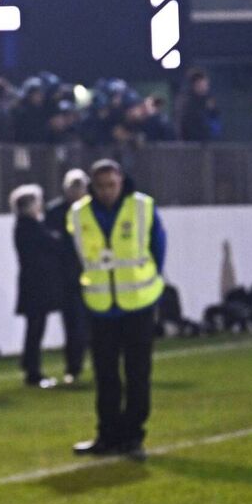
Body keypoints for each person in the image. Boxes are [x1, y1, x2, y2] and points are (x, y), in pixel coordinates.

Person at [67, 160, 166, 461]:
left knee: (137, 374)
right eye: (101, 186)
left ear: (121, 181)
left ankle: (133, 436)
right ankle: (107, 435)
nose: (107, 191)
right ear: (92, 187)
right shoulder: (79, 213)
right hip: (100, 306)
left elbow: (158, 248)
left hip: (138, 304)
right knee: (105, 376)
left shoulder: (142, 206)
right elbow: (76, 255)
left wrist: (146, 282)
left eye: (112, 185)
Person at [10, 184, 63, 388]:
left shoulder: (24, 226)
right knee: (36, 328)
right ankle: (33, 371)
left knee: (35, 327)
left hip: (32, 284)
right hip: (36, 285)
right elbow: (52, 244)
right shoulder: (29, 227)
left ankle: (29, 364)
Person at [44, 169, 90, 384]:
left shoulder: (93, 209)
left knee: (95, 326)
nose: (77, 191)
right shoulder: (55, 212)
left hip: (92, 275)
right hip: (68, 278)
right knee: (73, 325)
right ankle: (73, 367)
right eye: (74, 187)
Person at [175, 68, 221, 141]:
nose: (207, 86)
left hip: (206, 143)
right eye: (205, 84)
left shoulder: (208, 101)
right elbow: (187, 127)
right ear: (197, 83)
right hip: (192, 144)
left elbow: (215, 124)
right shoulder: (186, 103)